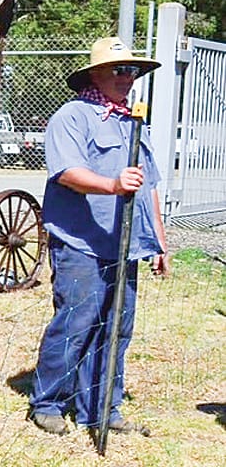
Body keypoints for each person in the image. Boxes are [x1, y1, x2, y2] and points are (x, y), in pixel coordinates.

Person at [28, 37, 170, 437]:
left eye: (132, 71)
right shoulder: (73, 117)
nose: (128, 78)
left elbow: (149, 186)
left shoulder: (133, 123)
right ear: (95, 74)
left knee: (116, 328)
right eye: (118, 69)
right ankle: (49, 402)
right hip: (81, 243)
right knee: (76, 322)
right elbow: (67, 173)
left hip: (124, 245)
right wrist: (111, 184)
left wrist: (158, 241)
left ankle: (103, 408)